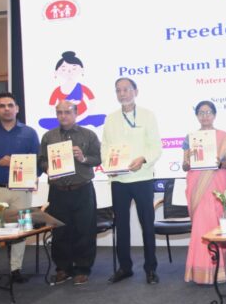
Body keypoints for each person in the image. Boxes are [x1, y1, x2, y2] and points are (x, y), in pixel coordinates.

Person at [103, 78, 162, 284]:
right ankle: (125, 268)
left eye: (126, 89)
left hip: (142, 178)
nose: (122, 94)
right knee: (121, 225)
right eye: (118, 90)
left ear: (136, 91)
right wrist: (108, 166)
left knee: (147, 225)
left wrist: (143, 158)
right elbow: (105, 146)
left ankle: (150, 269)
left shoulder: (147, 115)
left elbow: (156, 146)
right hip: (119, 180)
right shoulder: (110, 118)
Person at [0, 92, 40, 285]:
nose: (7, 109)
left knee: (21, 229)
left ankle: (16, 269)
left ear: (17, 108)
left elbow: (38, 162)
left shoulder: (29, 133)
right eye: (2, 106)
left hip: (22, 190)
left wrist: (34, 177)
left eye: (10, 105)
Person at [38, 101, 101, 285]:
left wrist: (83, 157)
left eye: (67, 112)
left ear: (76, 113)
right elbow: (41, 161)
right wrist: (47, 167)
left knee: (84, 231)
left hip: (82, 189)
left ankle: (82, 268)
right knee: (60, 231)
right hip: (58, 191)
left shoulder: (88, 135)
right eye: (59, 112)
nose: (63, 116)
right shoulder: (49, 136)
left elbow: (98, 158)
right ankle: (63, 268)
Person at [182, 101, 226, 284]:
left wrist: (218, 162)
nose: (205, 116)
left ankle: (217, 270)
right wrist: (188, 162)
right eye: (201, 112)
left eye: (208, 112)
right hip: (198, 187)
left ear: (214, 115)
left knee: (216, 226)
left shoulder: (225, 138)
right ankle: (199, 272)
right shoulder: (190, 138)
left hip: (217, 187)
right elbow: (184, 166)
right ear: (197, 116)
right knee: (200, 227)